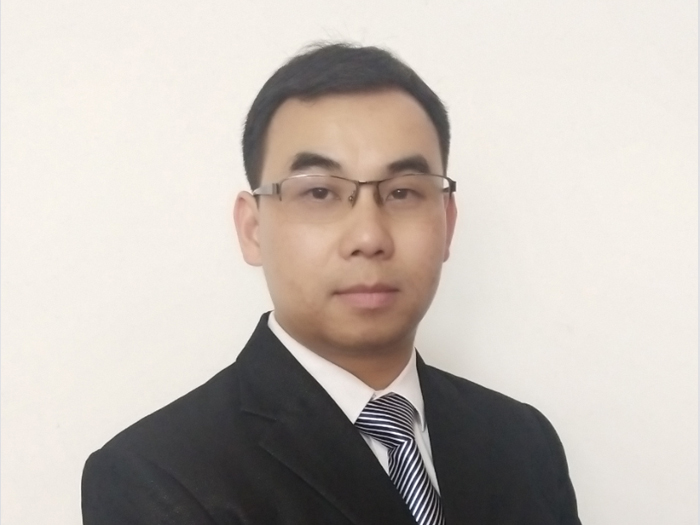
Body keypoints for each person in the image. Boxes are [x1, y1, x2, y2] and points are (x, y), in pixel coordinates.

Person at [81, 43, 581, 525]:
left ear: (447, 223)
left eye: (403, 193)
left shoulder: (522, 441)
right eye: (319, 192)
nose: (369, 238)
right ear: (252, 229)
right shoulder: (156, 474)